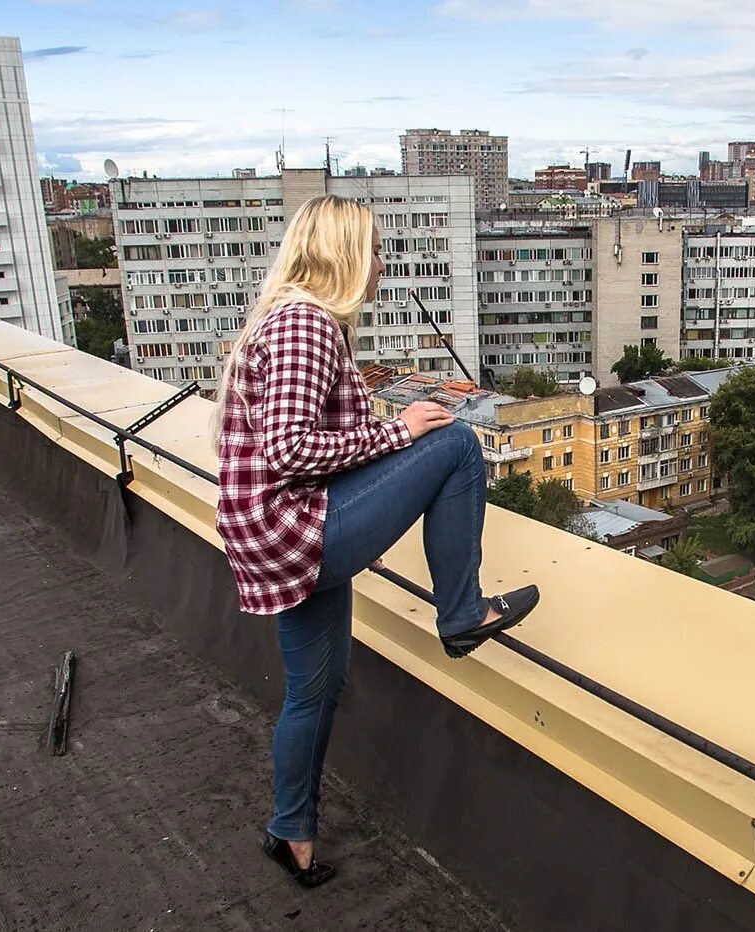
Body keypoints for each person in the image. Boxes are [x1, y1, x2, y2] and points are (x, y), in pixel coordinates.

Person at [214, 195, 539, 890]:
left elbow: (295, 453)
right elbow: (290, 450)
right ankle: (461, 615)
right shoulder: (307, 325)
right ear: (346, 254)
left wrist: (366, 516)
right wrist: (403, 432)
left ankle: (290, 831)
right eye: (376, 249)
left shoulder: (284, 318)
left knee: (315, 691)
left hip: (277, 534)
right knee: (452, 441)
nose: (383, 265)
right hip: (294, 527)